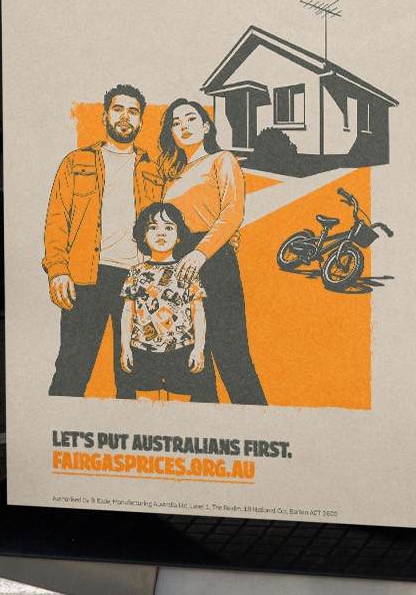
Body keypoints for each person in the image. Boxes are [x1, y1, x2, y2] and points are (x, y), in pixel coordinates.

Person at [43, 85, 163, 397]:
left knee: (132, 373)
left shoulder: (153, 169)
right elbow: (57, 219)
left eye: (133, 112)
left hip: (138, 281)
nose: (125, 117)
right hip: (87, 278)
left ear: (141, 122)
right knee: (72, 368)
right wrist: (58, 270)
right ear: (105, 115)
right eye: (119, 109)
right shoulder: (76, 162)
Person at [159, 99, 267, 405]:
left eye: (191, 119)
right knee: (193, 356)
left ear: (206, 126)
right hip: (178, 265)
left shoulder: (222, 160)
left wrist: (201, 253)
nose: (183, 127)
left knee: (231, 351)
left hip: (213, 260)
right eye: (176, 123)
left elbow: (232, 212)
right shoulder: (171, 175)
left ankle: (259, 424)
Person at [119, 203, 215, 402]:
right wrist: (125, 347)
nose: (161, 233)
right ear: (143, 235)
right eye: (153, 227)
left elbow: (198, 312)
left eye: (169, 228)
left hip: (180, 350)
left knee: (180, 406)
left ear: (179, 235)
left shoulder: (187, 271)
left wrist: (199, 348)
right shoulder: (136, 272)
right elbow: (128, 311)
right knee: (145, 405)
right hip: (143, 351)